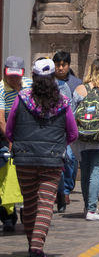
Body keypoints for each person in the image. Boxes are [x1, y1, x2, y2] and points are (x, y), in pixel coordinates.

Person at [5, 57, 78, 257]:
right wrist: (59, 144)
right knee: (45, 204)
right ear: (53, 76)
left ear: (34, 77)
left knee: (29, 204)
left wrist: (21, 143)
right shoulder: (63, 102)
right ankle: (36, 247)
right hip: (52, 160)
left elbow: (9, 130)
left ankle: (33, 244)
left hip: (24, 159)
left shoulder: (21, 98)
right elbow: (73, 133)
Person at [72, 57, 99, 220]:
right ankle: (92, 209)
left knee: (85, 169)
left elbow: (72, 112)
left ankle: (86, 206)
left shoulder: (80, 89)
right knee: (96, 170)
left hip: (82, 135)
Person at [1, 56, 26, 234]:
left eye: (17, 76)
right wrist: (10, 139)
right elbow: (1, 119)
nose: (14, 79)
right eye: (11, 75)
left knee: (27, 179)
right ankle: (8, 218)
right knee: (4, 179)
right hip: (5, 139)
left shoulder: (30, 86)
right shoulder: (1, 89)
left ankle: (28, 213)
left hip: (27, 139)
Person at [52, 50, 80, 212]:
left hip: (70, 128)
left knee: (69, 158)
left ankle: (67, 189)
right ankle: (61, 190)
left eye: (64, 65)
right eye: (58, 65)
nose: (61, 68)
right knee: (58, 161)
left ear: (69, 65)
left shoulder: (76, 83)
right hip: (54, 129)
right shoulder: (49, 82)